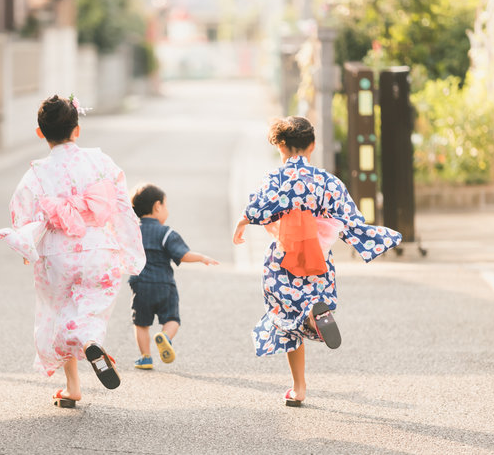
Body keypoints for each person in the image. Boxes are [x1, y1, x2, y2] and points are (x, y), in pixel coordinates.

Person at [232, 116, 402, 407]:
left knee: (284, 315)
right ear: (312, 145)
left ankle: (299, 387)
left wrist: (242, 222)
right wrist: (375, 238)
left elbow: (258, 209)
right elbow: (349, 219)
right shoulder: (326, 180)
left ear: (281, 146)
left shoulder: (276, 178)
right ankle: (313, 314)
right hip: (317, 257)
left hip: (282, 258)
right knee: (312, 301)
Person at [0, 95, 146, 408]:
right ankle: (91, 342)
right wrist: (131, 251)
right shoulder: (101, 161)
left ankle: (73, 387)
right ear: (78, 130)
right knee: (91, 309)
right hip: (99, 249)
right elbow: (121, 207)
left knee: (59, 312)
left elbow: (22, 211)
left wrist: (27, 244)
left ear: (40, 133)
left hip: (58, 254)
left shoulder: (36, 174)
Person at [129, 184, 219, 369]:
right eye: (166, 205)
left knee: (141, 323)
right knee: (171, 319)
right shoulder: (166, 233)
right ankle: (166, 338)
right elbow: (182, 254)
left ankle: (145, 357)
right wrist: (201, 258)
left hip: (141, 285)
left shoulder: (132, 232)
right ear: (157, 206)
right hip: (164, 285)